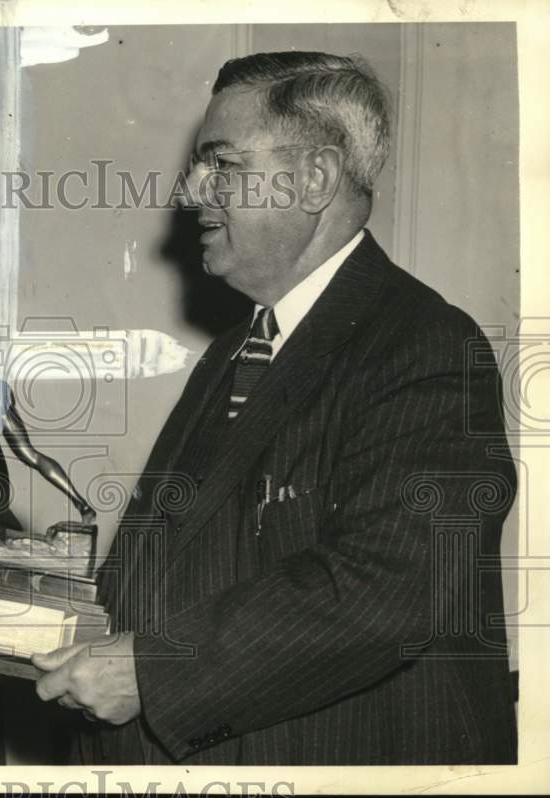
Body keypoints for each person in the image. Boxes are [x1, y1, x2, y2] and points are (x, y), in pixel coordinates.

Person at [32, 51, 518, 765]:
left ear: (314, 178)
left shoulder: (426, 344)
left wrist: (151, 671)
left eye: (221, 164)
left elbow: (391, 590)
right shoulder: (236, 350)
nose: (193, 190)